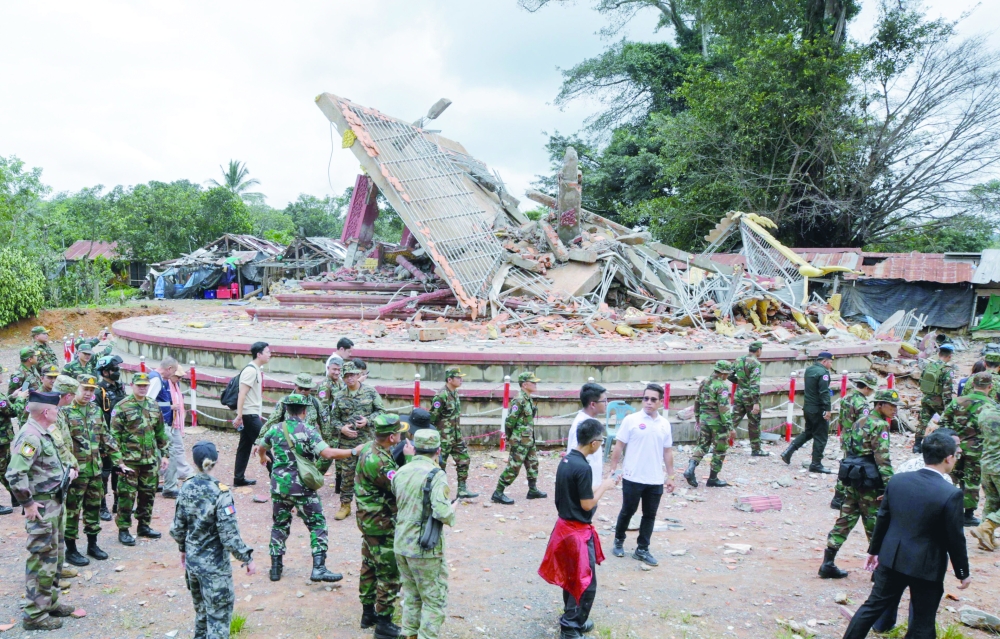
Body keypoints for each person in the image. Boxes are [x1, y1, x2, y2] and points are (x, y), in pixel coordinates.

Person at [840, 430, 970, 639]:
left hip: (892, 556)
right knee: (922, 620)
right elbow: (955, 538)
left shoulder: (898, 480)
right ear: (948, 458)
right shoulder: (950, 493)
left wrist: (874, 551)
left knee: (871, 607)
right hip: (926, 566)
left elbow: (883, 518)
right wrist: (962, 571)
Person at [254, 393, 359, 583]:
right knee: (317, 524)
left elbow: (261, 447)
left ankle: (276, 569)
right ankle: (319, 568)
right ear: (304, 411)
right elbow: (327, 453)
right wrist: (353, 451)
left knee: (279, 524)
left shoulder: (276, 429)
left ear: (286, 410)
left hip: (280, 487)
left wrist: (263, 457)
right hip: (303, 486)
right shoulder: (309, 430)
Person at [5, 391, 80, 631]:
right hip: (42, 508)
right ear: (46, 412)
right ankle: (34, 615)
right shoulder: (30, 437)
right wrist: (27, 503)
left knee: (55, 558)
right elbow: (14, 474)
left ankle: (49, 602)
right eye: (56, 409)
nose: (58, 412)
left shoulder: (42, 433)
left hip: (54, 504)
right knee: (41, 559)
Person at [538, 418, 616, 639]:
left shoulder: (566, 461)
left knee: (572, 577)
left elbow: (576, 492)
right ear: (593, 443)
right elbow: (587, 504)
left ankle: (572, 618)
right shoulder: (583, 467)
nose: (601, 444)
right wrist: (605, 487)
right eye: (601, 441)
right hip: (576, 531)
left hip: (564, 527)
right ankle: (571, 626)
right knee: (585, 581)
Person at [170, 441, 256, 639]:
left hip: (193, 564)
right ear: (215, 461)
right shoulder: (220, 492)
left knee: (201, 613)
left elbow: (178, 526)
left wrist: (183, 548)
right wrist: (247, 558)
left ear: (195, 462)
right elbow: (229, 535)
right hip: (215, 568)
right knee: (218, 618)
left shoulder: (186, 487)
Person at [820, 389, 897, 579]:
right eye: (891, 406)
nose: (895, 410)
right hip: (871, 482)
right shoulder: (880, 426)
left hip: (854, 477)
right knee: (875, 524)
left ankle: (827, 562)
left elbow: (849, 449)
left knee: (844, 520)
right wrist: (890, 486)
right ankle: (878, 570)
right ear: (879, 405)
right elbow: (882, 459)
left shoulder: (858, 422)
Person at [392, 428, 458, 639]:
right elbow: (442, 512)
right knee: (433, 599)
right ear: (438, 450)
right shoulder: (436, 475)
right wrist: (452, 510)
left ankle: (409, 634)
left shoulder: (401, 471)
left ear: (414, 448)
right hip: (424, 547)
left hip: (401, 542)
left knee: (411, 594)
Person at [59, 374, 130, 566]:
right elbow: (61, 444)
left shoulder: (95, 410)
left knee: (93, 508)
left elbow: (106, 438)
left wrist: (119, 462)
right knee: (72, 511)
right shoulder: (64, 412)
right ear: (76, 390)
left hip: (95, 470)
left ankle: (92, 544)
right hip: (76, 473)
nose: (89, 393)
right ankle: (71, 550)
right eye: (85, 389)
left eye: (92, 390)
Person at [355, 414, 412, 638]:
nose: (400, 436)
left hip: (369, 519)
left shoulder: (371, 447)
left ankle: (368, 613)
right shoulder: (378, 461)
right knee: (389, 571)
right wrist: (409, 460)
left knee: (369, 565)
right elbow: (400, 486)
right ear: (391, 436)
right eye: (398, 433)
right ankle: (384, 623)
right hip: (382, 522)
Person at [608, 384, 674, 565]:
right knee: (628, 511)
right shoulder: (632, 420)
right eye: (646, 398)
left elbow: (667, 451)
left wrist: (671, 476)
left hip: (654, 478)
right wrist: (613, 469)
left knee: (649, 515)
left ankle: (642, 549)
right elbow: (619, 445)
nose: (649, 402)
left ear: (660, 402)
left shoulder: (665, 424)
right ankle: (619, 541)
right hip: (632, 476)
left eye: (653, 399)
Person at [109, 372, 170, 546]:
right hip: (129, 461)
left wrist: (165, 453)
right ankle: (124, 529)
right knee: (126, 497)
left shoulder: (153, 405)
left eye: (145, 385)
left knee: (148, 495)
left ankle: (144, 525)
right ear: (132, 386)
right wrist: (118, 461)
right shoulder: (122, 406)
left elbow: (160, 431)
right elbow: (113, 436)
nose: (143, 388)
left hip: (149, 460)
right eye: (139, 385)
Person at [328, 360, 385, 520]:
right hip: (348, 443)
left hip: (367, 441)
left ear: (358, 375)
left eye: (352, 375)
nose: (350, 378)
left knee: (371, 473)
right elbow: (333, 419)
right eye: (346, 376)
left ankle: (372, 506)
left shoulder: (370, 392)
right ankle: (345, 505)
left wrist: (368, 420)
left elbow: (381, 411)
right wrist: (342, 428)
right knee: (347, 475)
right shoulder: (339, 396)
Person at [939, 370, 995, 526]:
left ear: (972, 384)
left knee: (950, 478)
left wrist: (951, 438)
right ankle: (968, 515)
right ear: (990, 386)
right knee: (972, 481)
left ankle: (941, 508)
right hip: (977, 449)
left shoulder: (958, 401)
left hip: (954, 447)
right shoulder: (991, 406)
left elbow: (943, 422)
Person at [492, 372, 547, 505]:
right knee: (514, 467)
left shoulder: (527, 398)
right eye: (532, 382)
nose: (535, 384)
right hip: (520, 440)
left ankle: (532, 490)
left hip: (528, 439)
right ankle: (498, 492)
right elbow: (510, 422)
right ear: (524, 384)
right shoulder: (519, 400)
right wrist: (512, 438)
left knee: (533, 463)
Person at [830, 372, 878, 510]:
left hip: (845, 435)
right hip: (855, 439)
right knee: (852, 467)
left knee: (847, 464)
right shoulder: (862, 404)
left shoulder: (847, 397)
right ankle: (841, 497)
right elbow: (864, 424)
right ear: (867, 388)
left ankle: (839, 497)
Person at [148, 357, 194, 499]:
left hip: (160, 422)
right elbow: (149, 402)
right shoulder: (157, 380)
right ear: (169, 369)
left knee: (156, 454)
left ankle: (153, 483)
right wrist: (169, 407)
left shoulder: (156, 378)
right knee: (171, 454)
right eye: (173, 371)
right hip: (160, 424)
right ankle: (170, 487)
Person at [429, 367, 478, 498]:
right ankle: (438, 492)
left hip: (456, 436)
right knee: (440, 465)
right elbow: (432, 418)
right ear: (449, 379)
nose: (461, 380)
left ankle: (462, 489)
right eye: (458, 378)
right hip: (443, 438)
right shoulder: (441, 396)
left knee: (464, 460)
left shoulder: (454, 393)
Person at [782, 352, 834, 473]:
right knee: (821, 436)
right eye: (830, 362)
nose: (831, 365)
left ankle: (789, 451)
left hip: (808, 407)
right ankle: (816, 463)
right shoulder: (823, 373)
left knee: (809, 432)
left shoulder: (809, 370)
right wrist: (827, 408)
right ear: (824, 361)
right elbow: (824, 392)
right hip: (818, 408)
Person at [685, 361, 735, 488]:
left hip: (704, 419)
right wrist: (730, 427)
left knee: (702, 445)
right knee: (719, 450)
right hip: (717, 423)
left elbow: (697, 400)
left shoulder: (704, 382)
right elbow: (723, 408)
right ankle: (713, 478)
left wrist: (697, 417)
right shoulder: (721, 386)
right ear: (723, 373)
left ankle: (690, 468)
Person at [233, 341, 270, 487]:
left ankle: (238, 477)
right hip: (249, 414)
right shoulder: (251, 371)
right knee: (265, 443)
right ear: (259, 354)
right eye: (267, 352)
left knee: (245, 446)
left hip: (250, 413)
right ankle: (275, 476)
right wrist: (240, 415)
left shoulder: (256, 370)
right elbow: (242, 393)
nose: (269, 354)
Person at [95, 355, 126, 521]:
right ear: (105, 372)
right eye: (114, 370)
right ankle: (102, 506)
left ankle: (117, 502)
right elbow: (96, 419)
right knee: (104, 473)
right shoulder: (99, 391)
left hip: (120, 437)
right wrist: (101, 443)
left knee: (118, 470)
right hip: (105, 439)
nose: (117, 372)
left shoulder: (119, 387)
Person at [914, 343, 956, 454]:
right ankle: (941, 444)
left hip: (926, 397)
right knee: (946, 422)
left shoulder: (929, 365)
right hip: (939, 401)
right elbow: (947, 391)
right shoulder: (947, 370)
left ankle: (917, 445)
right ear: (950, 356)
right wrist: (948, 406)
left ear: (939, 353)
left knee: (922, 422)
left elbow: (921, 382)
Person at [0, 367, 30, 514]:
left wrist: (12, 396)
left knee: (6, 468)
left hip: (3, 439)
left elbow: (4, 405)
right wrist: (20, 398)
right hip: (1, 439)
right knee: (3, 469)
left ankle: (15, 497)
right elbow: (12, 411)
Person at [970, 401, 1000, 550]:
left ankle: (987, 538)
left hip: (987, 463)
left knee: (992, 501)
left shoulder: (985, 414)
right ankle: (986, 528)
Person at [566, 383, 607, 489]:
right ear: (593, 404)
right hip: (583, 486)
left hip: (591, 484)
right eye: (604, 401)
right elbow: (576, 457)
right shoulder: (581, 426)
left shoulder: (591, 421)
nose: (607, 403)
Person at [732, 342, 768, 456]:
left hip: (739, 393)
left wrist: (739, 382)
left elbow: (728, 374)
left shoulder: (738, 359)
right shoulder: (755, 363)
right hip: (750, 397)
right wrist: (756, 402)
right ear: (758, 350)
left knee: (732, 420)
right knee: (754, 423)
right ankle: (756, 449)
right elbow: (754, 384)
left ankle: (718, 445)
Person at [318, 355, 346, 492]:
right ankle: (312, 479)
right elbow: (323, 410)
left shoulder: (340, 383)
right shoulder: (325, 385)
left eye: (339, 370)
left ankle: (339, 485)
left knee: (340, 455)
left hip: (339, 425)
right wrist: (327, 431)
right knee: (327, 457)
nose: (336, 372)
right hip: (330, 428)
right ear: (328, 368)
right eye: (334, 369)